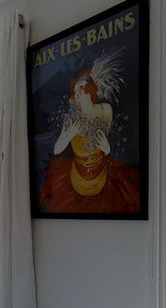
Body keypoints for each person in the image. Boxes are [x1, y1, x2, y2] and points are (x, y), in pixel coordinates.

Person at [38, 51, 140, 214]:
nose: (78, 93)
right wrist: (70, 134)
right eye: (75, 89)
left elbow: (106, 144)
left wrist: (107, 149)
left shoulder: (105, 110)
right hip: (77, 177)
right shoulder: (71, 119)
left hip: (102, 174)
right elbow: (57, 149)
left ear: (91, 89)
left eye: (81, 87)